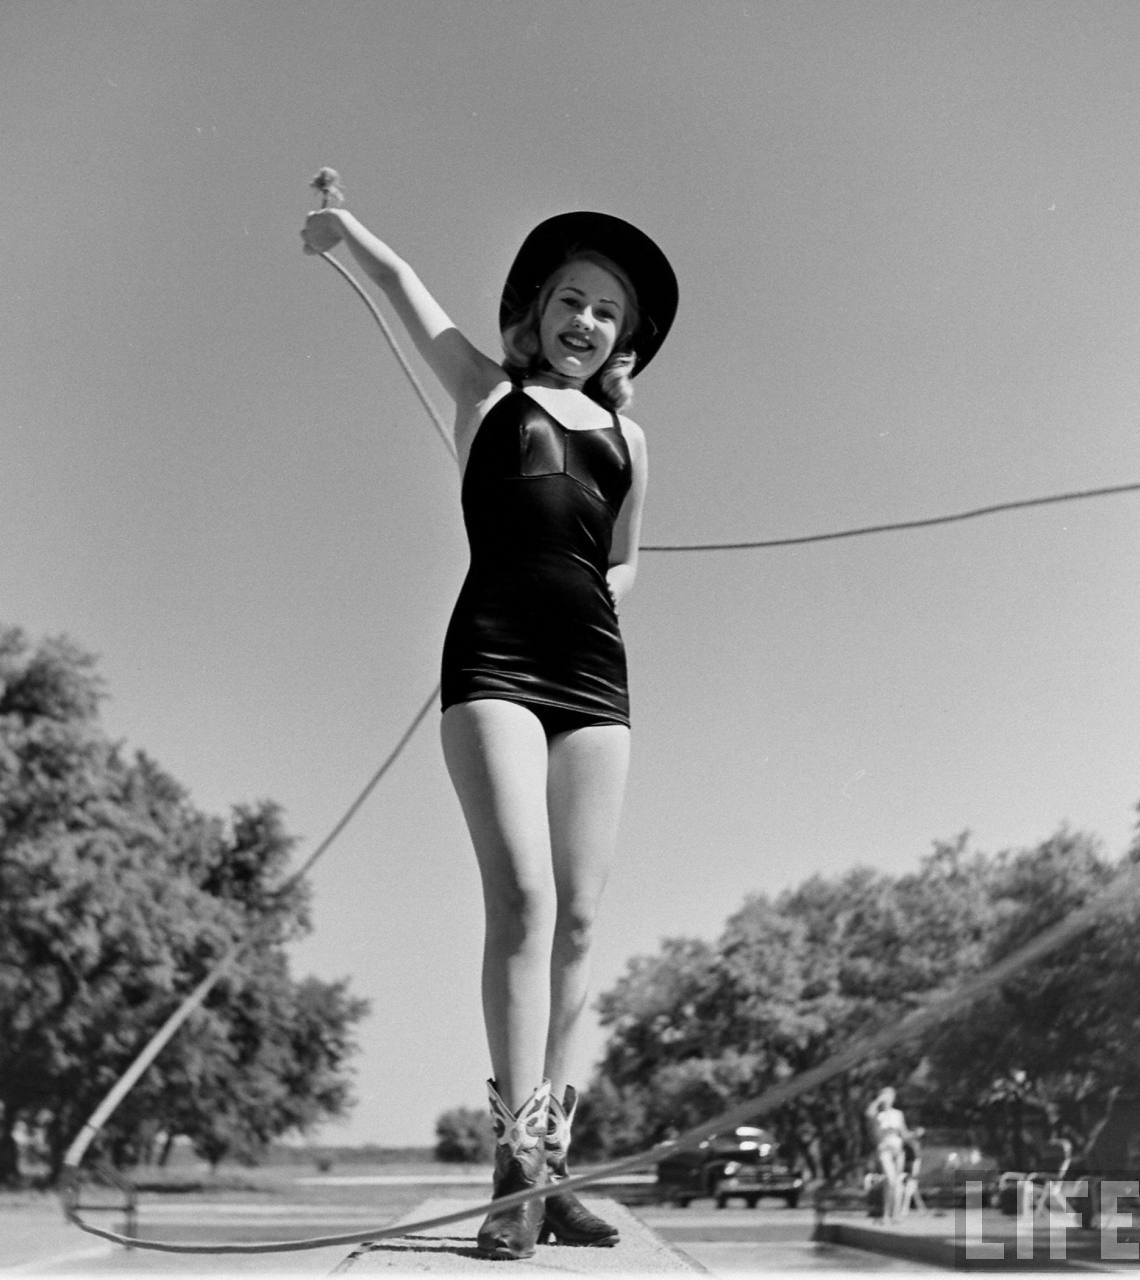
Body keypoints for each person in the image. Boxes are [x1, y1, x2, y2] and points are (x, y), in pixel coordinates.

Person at [301, 205, 678, 1260]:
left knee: (583, 921)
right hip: (494, 659)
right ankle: (512, 1168)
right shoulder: (487, 388)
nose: (586, 320)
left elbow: (623, 557)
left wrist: (599, 610)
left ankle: (553, 1166)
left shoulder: (630, 439)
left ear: (625, 340)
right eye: (570, 299)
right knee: (521, 897)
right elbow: (403, 288)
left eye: (607, 312)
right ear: (535, 309)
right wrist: (345, 231)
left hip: (593, 677)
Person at [866, 1086, 911, 1224]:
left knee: (895, 1183)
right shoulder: (877, 1114)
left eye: (890, 1096)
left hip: (897, 1150)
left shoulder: (898, 1114)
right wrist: (879, 1099)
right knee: (891, 1180)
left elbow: (904, 1133)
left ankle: (892, 1214)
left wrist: (915, 1134)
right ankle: (887, 1214)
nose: (888, 1099)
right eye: (886, 1096)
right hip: (884, 1150)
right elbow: (868, 1113)